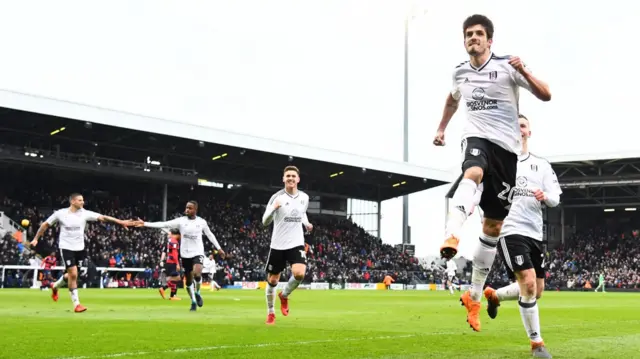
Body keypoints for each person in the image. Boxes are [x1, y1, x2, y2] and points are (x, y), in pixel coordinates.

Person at [433, 14, 551, 332]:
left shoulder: (507, 66)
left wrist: (524, 69)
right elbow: (451, 99)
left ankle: (473, 295)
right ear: (464, 40)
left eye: (479, 34)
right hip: (477, 140)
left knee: (493, 225)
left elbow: (546, 94)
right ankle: (452, 231)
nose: (473, 38)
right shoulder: (460, 71)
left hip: (507, 153)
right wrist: (442, 129)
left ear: (489, 40)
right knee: (472, 170)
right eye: (468, 34)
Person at [482, 115, 560, 358]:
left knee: (536, 291)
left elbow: (556, 198)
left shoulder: (542, 165)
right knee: (526, 284)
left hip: (535, 233)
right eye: (515, 126)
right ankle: (537, 344)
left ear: (529, 132)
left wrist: (544, 196)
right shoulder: (498, 165)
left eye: (523, 125)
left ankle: (495, 295)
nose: (519, 129)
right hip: (510, 229)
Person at [29, 193, 134, 312]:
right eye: (80, 200)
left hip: (80, 248)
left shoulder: (85, 213)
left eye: (83, 200)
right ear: (72, 201)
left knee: (72, 275)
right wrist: (36, 238)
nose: (82, 202)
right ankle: (76, 305)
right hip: (66, 247)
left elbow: (103, 217)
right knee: (73, 274)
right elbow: (45, 224)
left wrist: (120, 222)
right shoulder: (60, 213)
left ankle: (55, 286)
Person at [134, 201, 225, 311]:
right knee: (189, 281)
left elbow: (210, 235)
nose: (187, 210)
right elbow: (164, 224)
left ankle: (197, 292)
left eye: (190, 208)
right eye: (186, 208)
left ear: (195, 210)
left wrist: (219, 248)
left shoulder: (202, 222)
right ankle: (193, 302)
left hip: (198, 252)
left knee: (197, 274)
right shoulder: (181, 221)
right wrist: (145, 224)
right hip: (185, 254)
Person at [262, 165, 313, 325]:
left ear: (298, 179)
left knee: (299, 273)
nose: (290, 178)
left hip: (296, 242)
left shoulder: (305, 197)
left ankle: (284, 295)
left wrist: (306, 223)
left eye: (293, 176)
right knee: (273, 280)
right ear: (283, 179)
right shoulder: (276, 198)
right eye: (288, 176)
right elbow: (265, 222)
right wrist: (273, 209)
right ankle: (271, 312)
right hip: (278, 244)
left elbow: (301, 211)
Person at [158, 229, 182, 301]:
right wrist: (177, 263)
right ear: (177, 234)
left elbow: (165, 251)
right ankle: (163, 288)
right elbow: (175, 254)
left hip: (168, 262)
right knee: (177, 278)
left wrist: (162, 260)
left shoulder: (169, 241)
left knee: (174, 279)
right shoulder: (174, 242)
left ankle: (172, 296)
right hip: (172, 262)